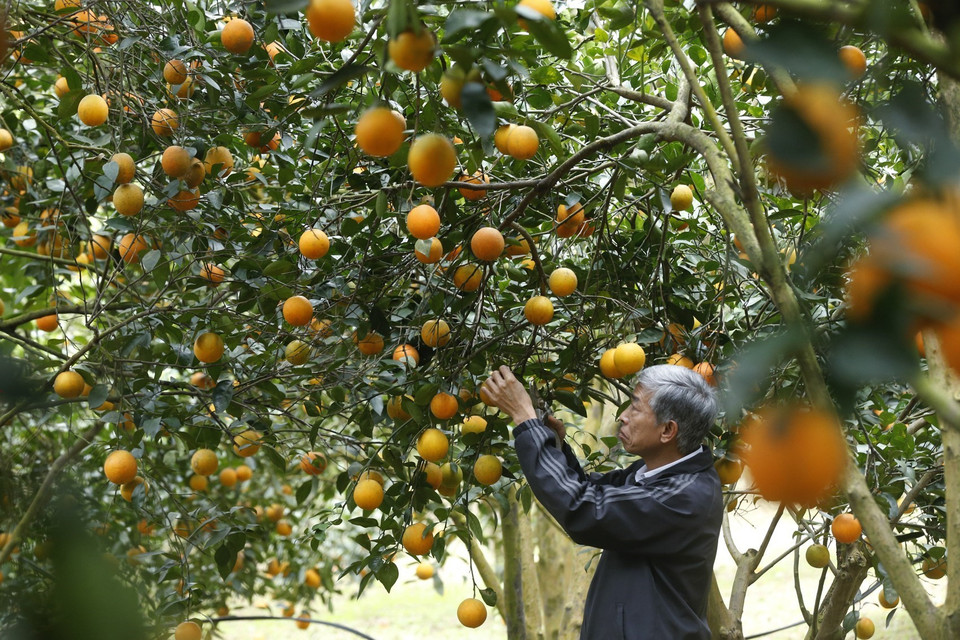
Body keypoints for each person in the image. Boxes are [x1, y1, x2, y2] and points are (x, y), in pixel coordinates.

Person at [481, 364, 723, 640]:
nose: (623, 417)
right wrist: (554, 444)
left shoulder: (684, 497)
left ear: (667, 430)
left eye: (635, 408)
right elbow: (591, 491)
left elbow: (583, 509)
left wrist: (525, 419)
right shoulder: (655, 476)